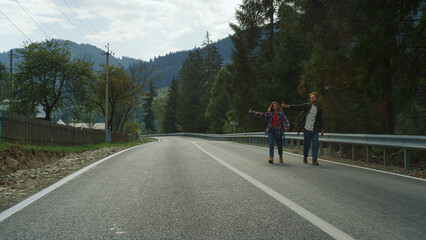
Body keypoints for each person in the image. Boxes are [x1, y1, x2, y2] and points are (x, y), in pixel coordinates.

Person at [281, 92, 324, 165]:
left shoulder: (319, 109)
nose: (312, 98)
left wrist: (322, 129)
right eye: (311, 97)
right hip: (306, 129)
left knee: (315, 145)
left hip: (315, 130)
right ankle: (305, 157)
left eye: (313, 97)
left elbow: (320, 120)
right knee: (306, 144)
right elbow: (297, 107)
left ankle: (314, 160)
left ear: (317, 98)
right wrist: (286, 106)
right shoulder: (307, 106)